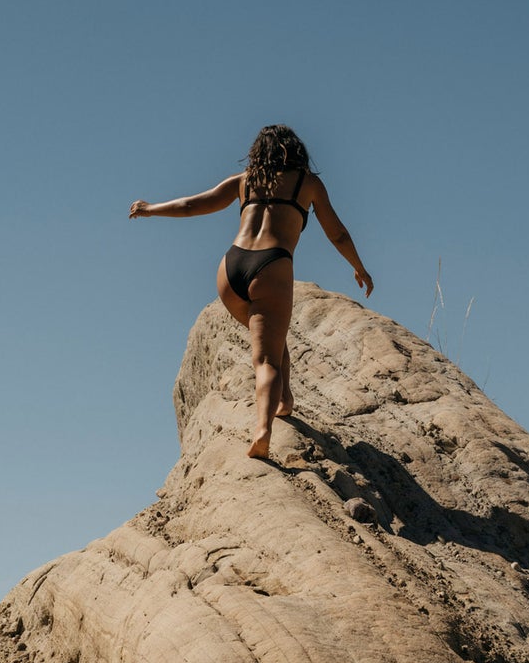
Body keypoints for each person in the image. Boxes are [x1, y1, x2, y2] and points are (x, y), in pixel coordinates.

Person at [130, 124, 374, 460]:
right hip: (271, 266)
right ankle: (263, 430)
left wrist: (150, 208)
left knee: (270, 335)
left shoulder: (244, 181)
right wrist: (358, 267)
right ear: (297, 151)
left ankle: (285, 399)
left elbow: (190, 205)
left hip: (231, 268)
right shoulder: (308, 183)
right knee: (266, 359)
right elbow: (338, 234)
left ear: (258, 152)